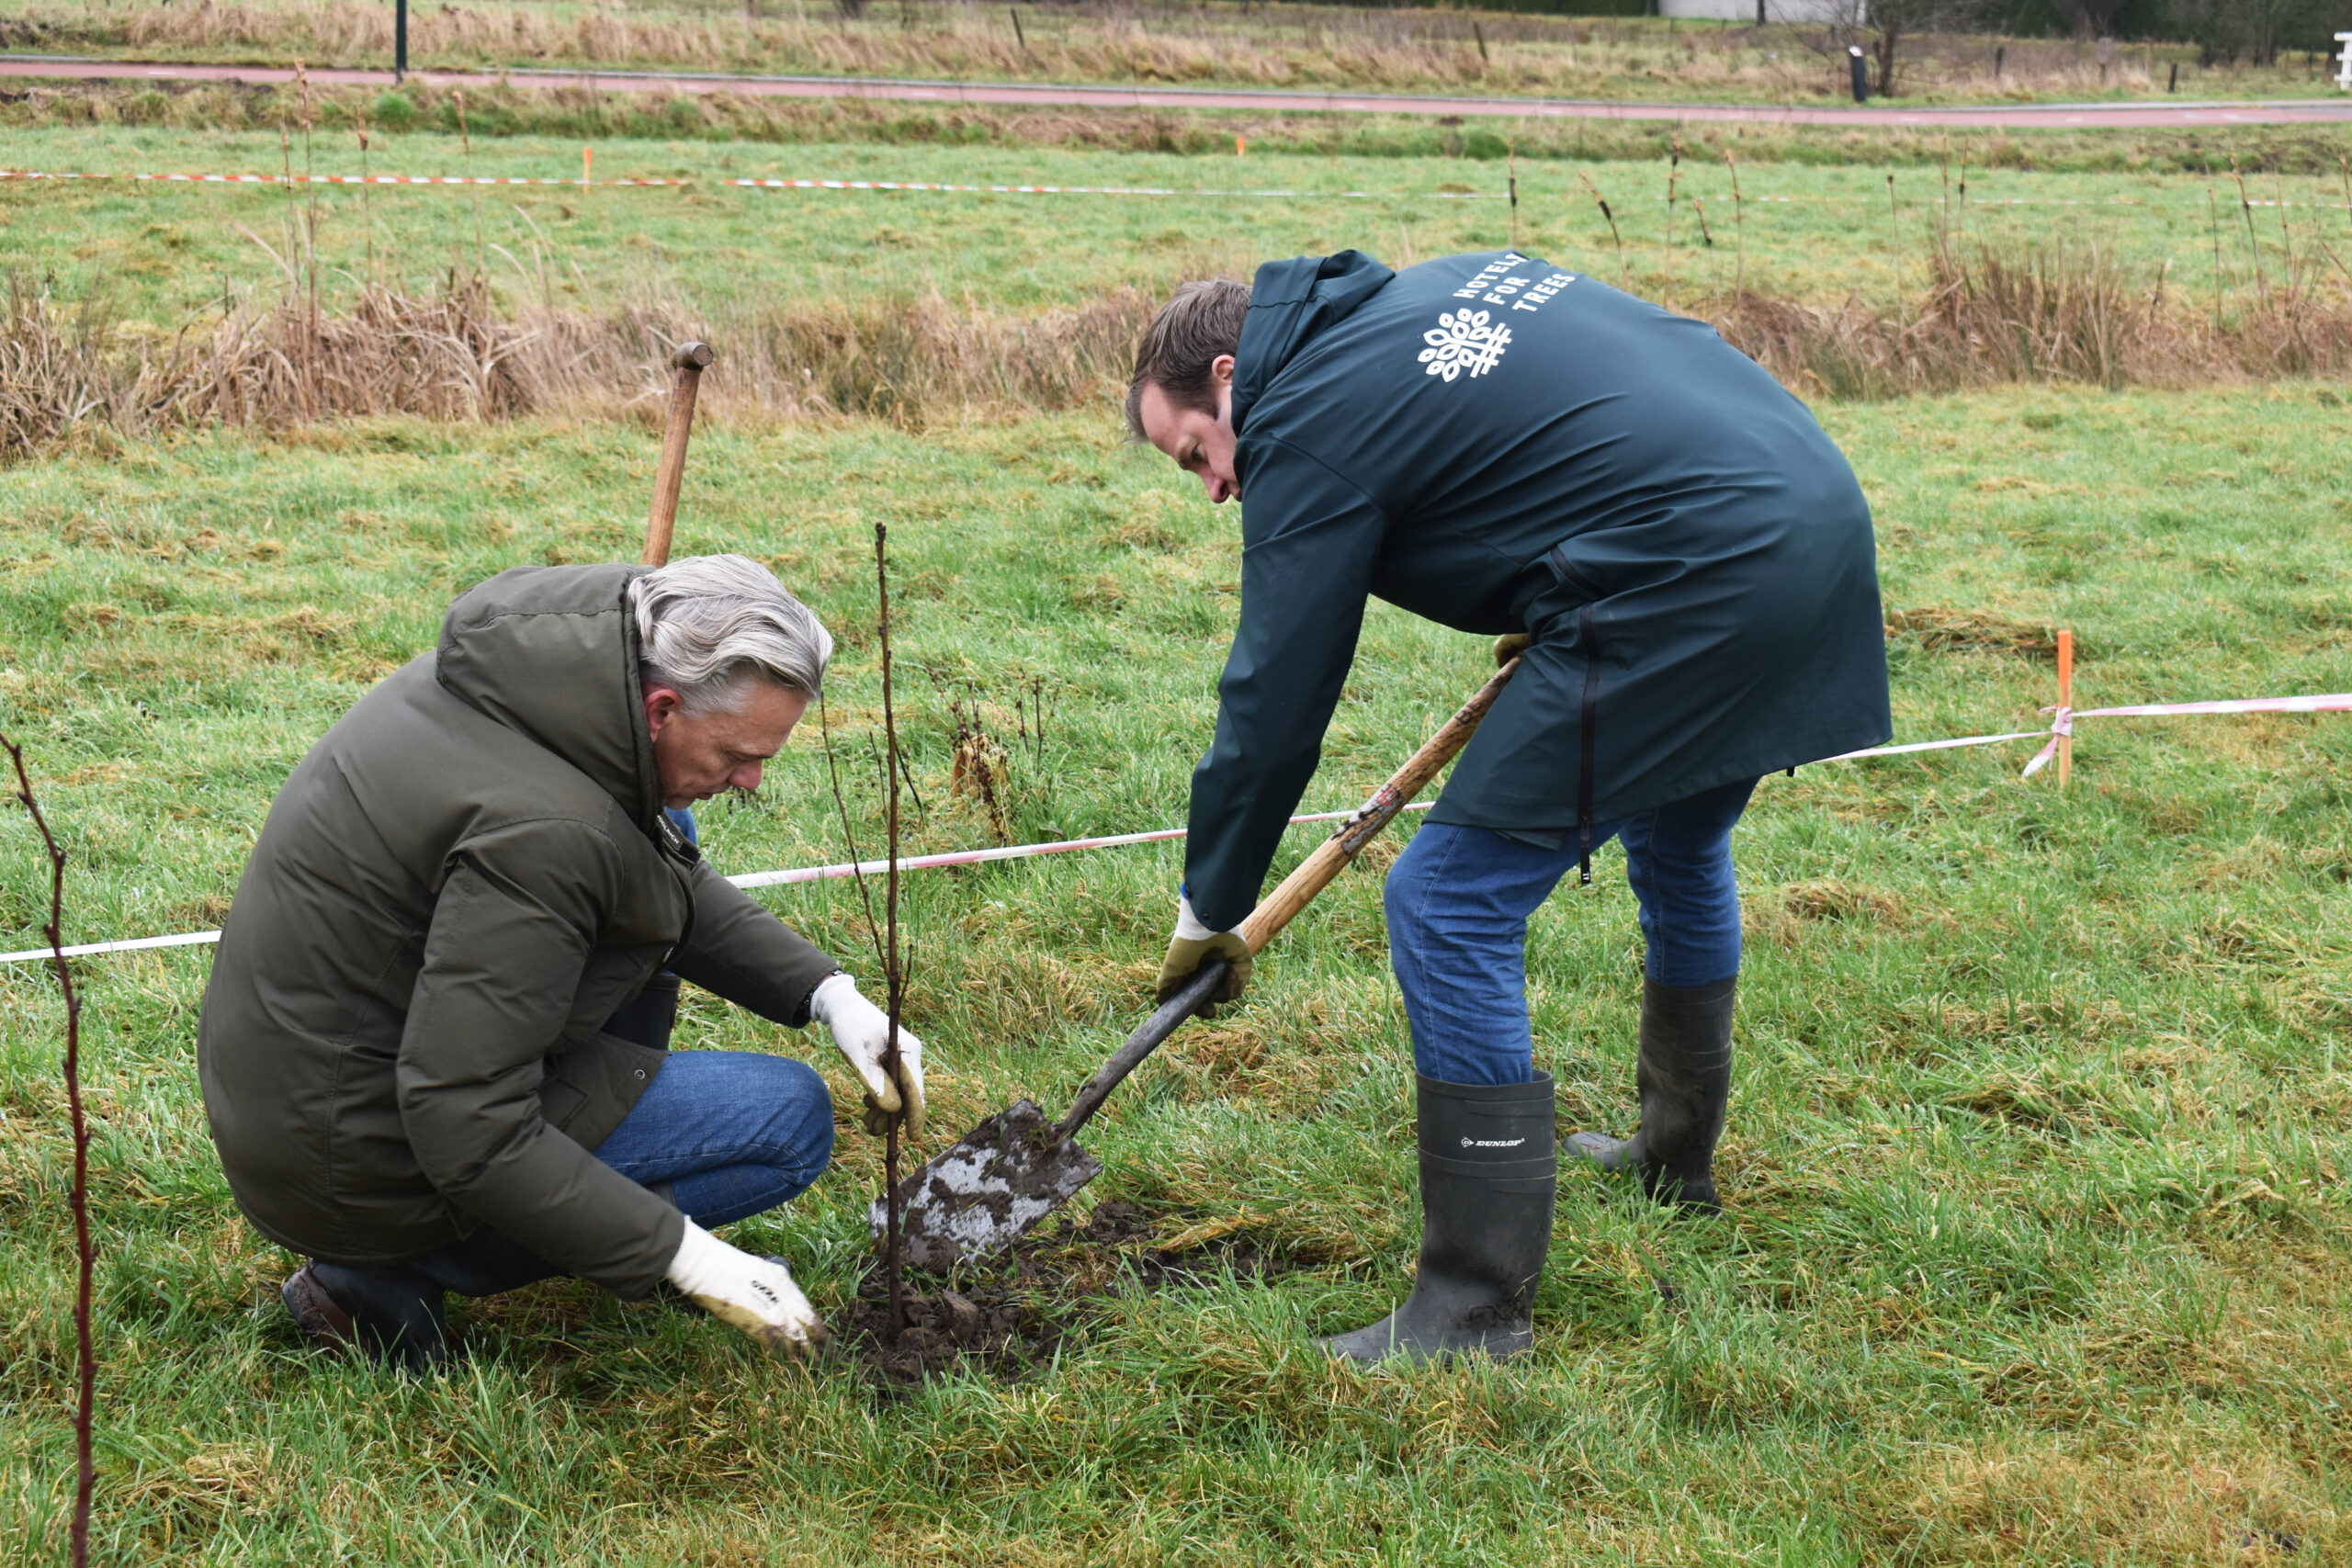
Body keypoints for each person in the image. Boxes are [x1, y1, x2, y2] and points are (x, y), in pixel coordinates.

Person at [1131, 252, 1889, 1364]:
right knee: (1678, 837)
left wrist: (1212, 908)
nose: (1212, 489)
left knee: (1445, 903)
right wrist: (1560, 564)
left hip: (1691, 565)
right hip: (1802, 515)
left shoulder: (1305, 414)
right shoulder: (1415, 295)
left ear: (1232, 377)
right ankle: (1674, 1164)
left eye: (1197, 451)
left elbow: (1274, 699)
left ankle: (1472, 1309)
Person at [198, 554, 924, 1371]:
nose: (752, 778)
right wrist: (684, 1255)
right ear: (660, 706)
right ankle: (385, 1273)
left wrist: (830, 995)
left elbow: (657, 874)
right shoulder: (548, 832)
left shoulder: (527, 688)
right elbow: (464, 1117)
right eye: (737, 752)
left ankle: (555, 1182)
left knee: (670, 834)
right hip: (353, 1161)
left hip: (305, 1090)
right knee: (787, 1120)